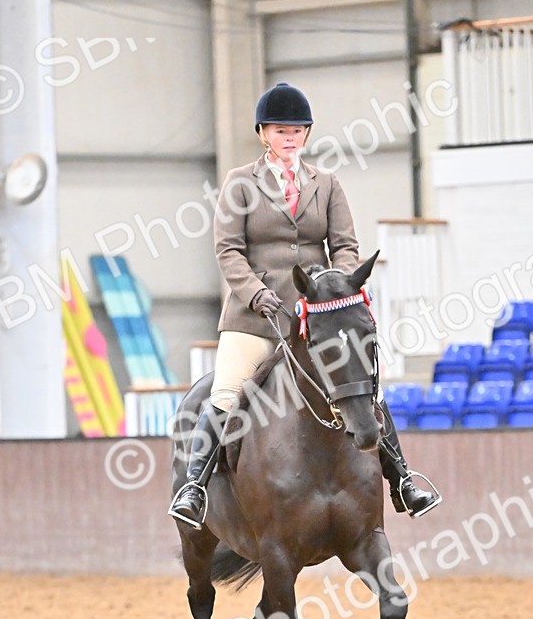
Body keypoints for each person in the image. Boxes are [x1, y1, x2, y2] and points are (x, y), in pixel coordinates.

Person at [169, 81, 439, 530]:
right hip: (255, 316)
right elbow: (228, 251)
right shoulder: (239, 183)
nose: (289, 137)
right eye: (279, 130)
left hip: (320, 318)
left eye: (296, 130)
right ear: (263, 134)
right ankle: (195, 488)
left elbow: (346, 246)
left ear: (307, 134)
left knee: (368, 387)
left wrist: (339, 286)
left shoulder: (326, 183)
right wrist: (255, 292)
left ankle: (404, 482)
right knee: (225, 391)